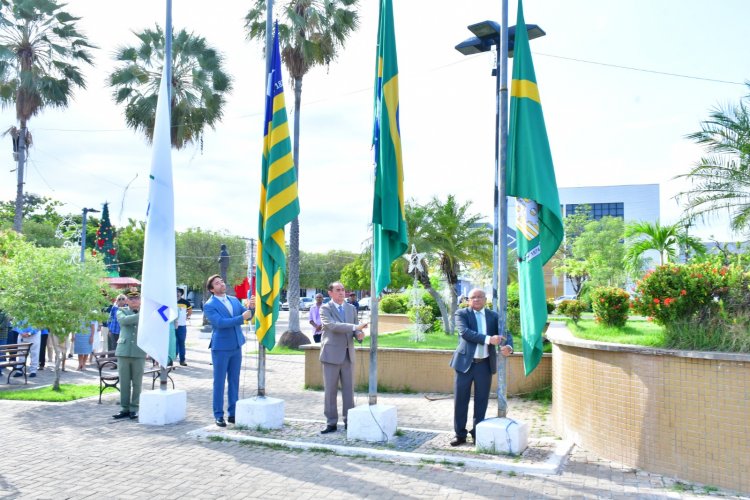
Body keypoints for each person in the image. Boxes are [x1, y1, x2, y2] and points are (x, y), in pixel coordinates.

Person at [449, 288, 514, 446]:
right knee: (461, 400)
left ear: (486, 299)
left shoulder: (493, 316)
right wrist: (489, 339)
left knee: (482, 401)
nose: (476, 300)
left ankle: (478, 433)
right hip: (465, 364)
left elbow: (506, 333)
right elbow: (465, 333)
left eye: (479, 297)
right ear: (468, 300)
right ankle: (460, 434)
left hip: (484, 364)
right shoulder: (461, 314)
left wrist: (509, 347)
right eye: (473, 297)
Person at [203, 274, 254, 427]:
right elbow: (220, 323)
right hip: (221, 347)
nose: (221, 284)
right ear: (212, 289)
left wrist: (252, 307)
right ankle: (218, 414)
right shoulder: (209, 305)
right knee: (219, 382)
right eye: (217, 283)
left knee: (234, 380)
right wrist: (242, 318)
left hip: (236, 345)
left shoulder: (233, 300)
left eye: (222, 282)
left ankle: (233, 413)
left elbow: (248, 315)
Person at [319, 282, 368, 434]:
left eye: (343, 290)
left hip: (348, 355)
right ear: (330, 293)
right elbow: (333, 326)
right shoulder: (325, 308)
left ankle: (349, 421)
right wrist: (355, 328)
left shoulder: (351, 308)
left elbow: (354, 331)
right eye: (338, 290)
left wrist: (359, 334)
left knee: (348, 390)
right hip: (331, 355)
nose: (341, 293)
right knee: (330, 391)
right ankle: (331, 422)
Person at [112, 292, 146, 421]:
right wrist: (142, 315)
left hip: (139, 351)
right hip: (124, 350)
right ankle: (124, 408)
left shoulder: (145, 312)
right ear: (127, 301)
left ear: (140, 300)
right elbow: (124, 321)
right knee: (124, 382)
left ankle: (134, 409)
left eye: (136, 298)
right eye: (130, 298)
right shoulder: (121, 311)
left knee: (137, 383)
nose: (133, 300)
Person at [175, 288, 192, 366]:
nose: (177, 293)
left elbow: (190, 310)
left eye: (178, 292)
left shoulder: (185, 302)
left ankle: (182, 360)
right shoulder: (169, 302)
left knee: (181, 342)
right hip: (172, 327)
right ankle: (171, 360)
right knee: (172, 343)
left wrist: (187, 316)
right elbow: (161, 311)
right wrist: (166, 320)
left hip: (182, 326)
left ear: (181, 293)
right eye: (175, 292)